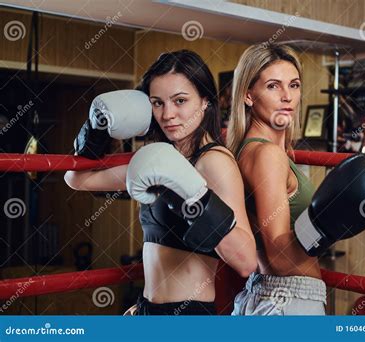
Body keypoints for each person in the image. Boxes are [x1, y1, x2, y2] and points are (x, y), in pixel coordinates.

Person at [64, 50, 257, 315]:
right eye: (157, 103)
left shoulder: (214, 162)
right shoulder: (158, 160)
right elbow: (77, 179)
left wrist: (197, 201)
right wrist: (96, 131)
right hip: (147, 309)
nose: (167, 114)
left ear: (205, 101)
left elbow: (246, 261)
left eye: (180, 101)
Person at [227, 44, 365, 316]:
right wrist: (327, 226)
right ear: (249, 95)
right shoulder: (267, 155)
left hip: (268, 293)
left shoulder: (248, 149)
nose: (287, 96)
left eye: (294, 85)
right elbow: (280, 257)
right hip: (289, 299)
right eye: (273, 86)